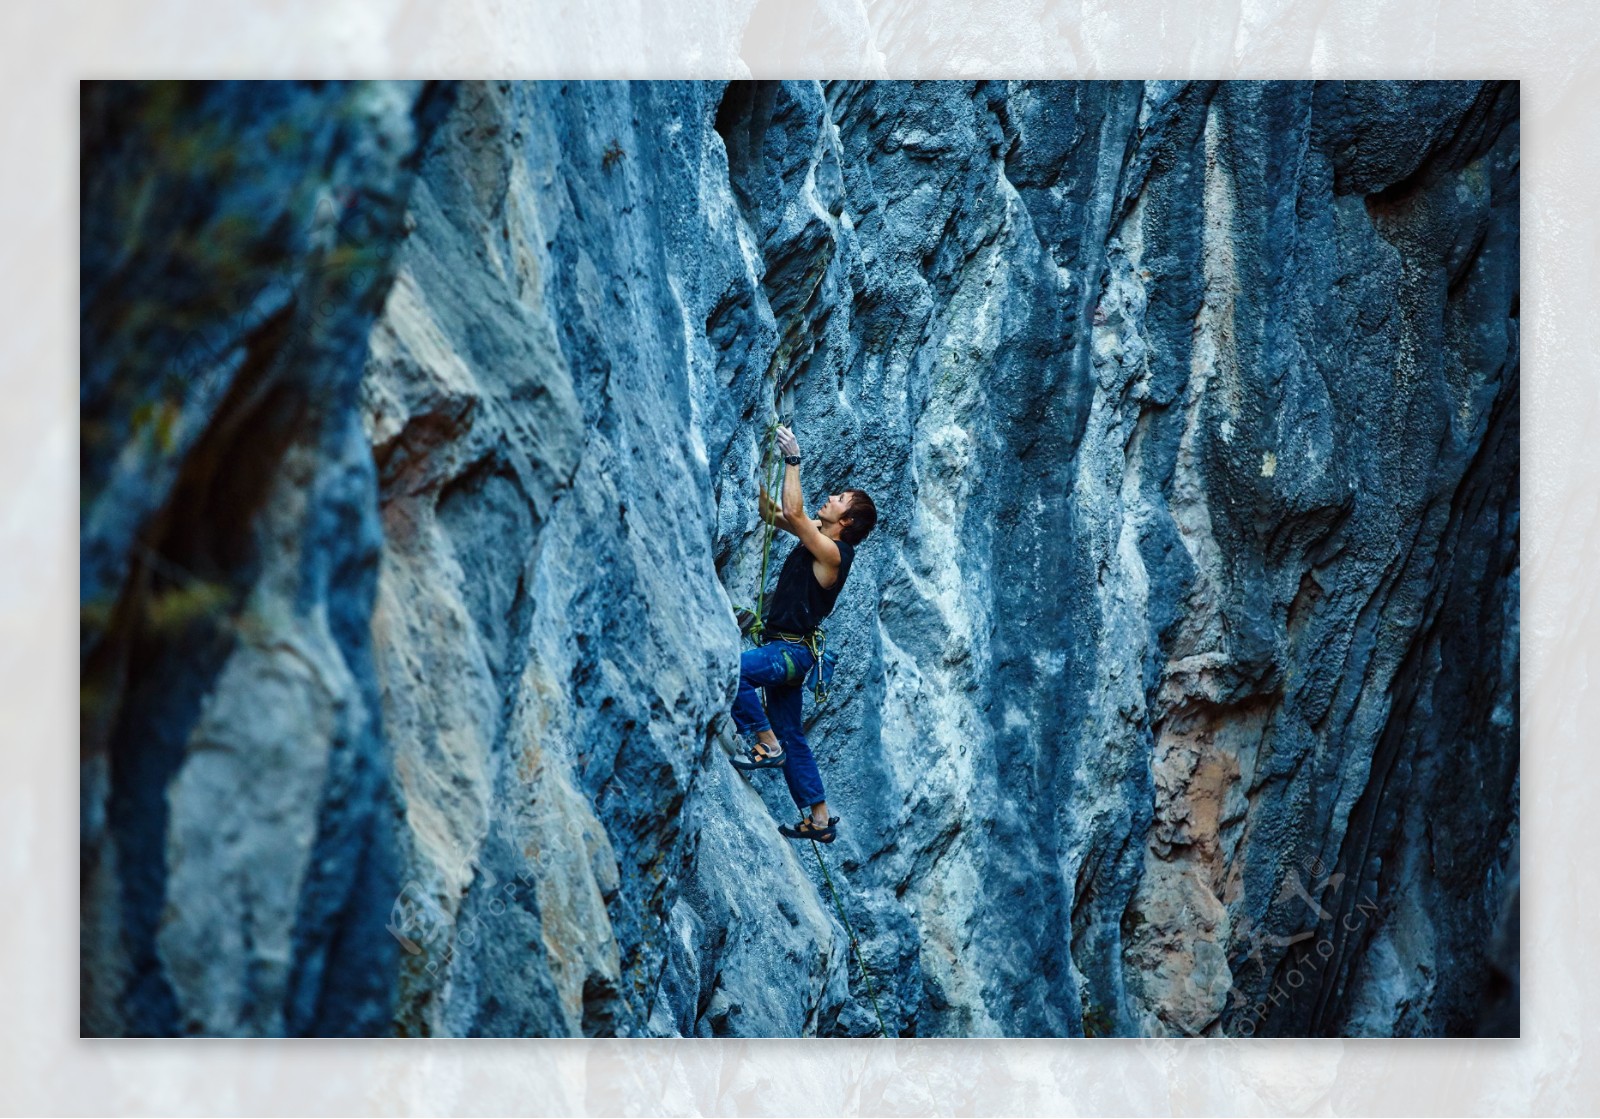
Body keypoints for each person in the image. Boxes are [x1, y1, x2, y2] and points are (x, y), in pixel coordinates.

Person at [731, 424, 877, 843]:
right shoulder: (817, 536)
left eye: (838, 500)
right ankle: (819, 817)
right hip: (793, 654)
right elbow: (774, 515)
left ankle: (764, 743)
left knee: (733, 671)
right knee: (793, 733)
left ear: (845, 521)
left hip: (789, 653)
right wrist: (759, 466)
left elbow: (793, 515)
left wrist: (793, 459)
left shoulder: (834, 553)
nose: (829, 498)